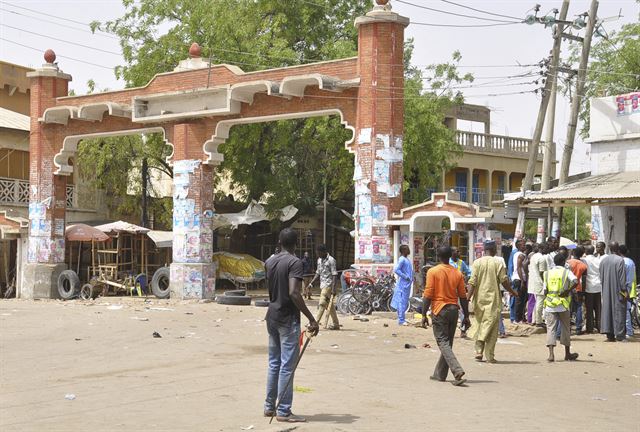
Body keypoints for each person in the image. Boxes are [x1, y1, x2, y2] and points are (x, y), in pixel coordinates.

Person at [264, 229, 319, 423]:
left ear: (279, 241)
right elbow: (294, 292)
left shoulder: (270, 261)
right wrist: (311, 318)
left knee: (274, 363)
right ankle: (284, 411)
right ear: (296, 243)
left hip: (271, 316)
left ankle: (269, 407)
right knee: (287, 366)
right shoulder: (295, 262)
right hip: (287, 319)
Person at [421, 246, 470, 386]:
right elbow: (463, 296)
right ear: (450, 256)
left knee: (443, 342)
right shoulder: (457, 273)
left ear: (438, 255)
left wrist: (424, 314)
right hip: (454, 310)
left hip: (439, 310)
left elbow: (428, 294)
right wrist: (466, 316)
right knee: (448, 343)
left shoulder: (433, 272)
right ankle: (440, 374)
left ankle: (457, 370)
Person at [467, 240, 518, 363]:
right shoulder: (497, 262)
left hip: (479, 299)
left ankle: (479, 351)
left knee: (480, 323)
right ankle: (489, 355)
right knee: (492, 326)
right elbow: (504, 280)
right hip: (493, 299)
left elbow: (472, 282)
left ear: (484, 250)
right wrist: (512, 291)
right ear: (494, 250)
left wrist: (468, 297)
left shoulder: (477, 263)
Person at [543, 253, 579, 362]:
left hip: (550, 304)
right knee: (565, 329)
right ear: (564, 262)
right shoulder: (566, 272)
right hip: (563, 304)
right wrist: (568, 291)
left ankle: (551, 355)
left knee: (551, 329)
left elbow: (545, 290)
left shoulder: (547, 273)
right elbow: (576, 281)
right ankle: (567, 354)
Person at [307, 244, 340, 330]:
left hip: (328, 286)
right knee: (330, 305)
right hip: (322, 285)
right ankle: (336, 324)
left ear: (324, 252)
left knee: (321, 304)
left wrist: (333, 288)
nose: (318, 254)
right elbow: (318, 273)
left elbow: (334, 275)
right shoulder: (319, 260)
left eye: (319, 253)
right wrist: (311, 283)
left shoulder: (331, 260)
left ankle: (315, 322)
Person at [600, 242, 628, 342]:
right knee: (619, 311)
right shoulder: (620, 260)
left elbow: (601, 277)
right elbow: (622, 279)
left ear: (609, 248)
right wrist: (625, 291)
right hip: (618, 291)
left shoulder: (603, 260)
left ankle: (609, 334)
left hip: (606, 289)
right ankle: (620, 335)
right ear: (618, 249)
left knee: (607, 310)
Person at [450, 247, 471, 337]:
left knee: (462, 309)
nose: (459, 252)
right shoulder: (448, 262)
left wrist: (466, 278)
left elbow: (469, 272)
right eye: (457, 251)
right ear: (452, 252)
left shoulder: (461, 263)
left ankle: (463, 330)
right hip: (450, 290)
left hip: (460, 289)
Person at [567, 246, 587, 335]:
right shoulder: (583, 265)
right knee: (579, 307)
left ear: (573, 253)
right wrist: (583, 291)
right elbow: (584, 279)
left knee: (568, 308)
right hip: (578, 287)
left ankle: (568, 327)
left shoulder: (568, 263)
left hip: (568, 288)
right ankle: (578, 328)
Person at [391, 244, 413, 326]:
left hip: (407, 284)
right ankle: (401, 320)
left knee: (404, 301)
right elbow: (396, 270)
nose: (409, 250)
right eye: (407, 249)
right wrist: (405, 277)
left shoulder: (406, 259)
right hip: (403, 284)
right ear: (403, 251)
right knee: (402, 302)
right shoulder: (402, 260)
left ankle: (402, 318)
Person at [583, 244, 603, 333]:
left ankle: (590, 328)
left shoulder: (585, 260)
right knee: (598, 308)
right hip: (598, 285)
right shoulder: (598, 260)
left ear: (586, 251)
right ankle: (600, 327)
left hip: (589, 286)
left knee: (589, 308)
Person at [528, 242, 548, 327]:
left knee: (537, 302)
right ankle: (538, 322)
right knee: (540, 302)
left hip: (533, 282)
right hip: (539, 282)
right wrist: (545, 283)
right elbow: (542, 273)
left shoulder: (533, 256)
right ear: (542, 249)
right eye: (546, 248)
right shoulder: (542, 258)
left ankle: (534, 320)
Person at [620, 245, 637, 338]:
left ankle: (629, 331)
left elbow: (627, 279)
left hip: (625, 290)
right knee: (627, 311)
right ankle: (628, 330)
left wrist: (625, 290)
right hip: (629, 289)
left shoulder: (624, 262)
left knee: (626, 311)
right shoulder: (630, 262)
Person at [510, 239, 527, 323]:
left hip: (518, 278)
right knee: (519, 300)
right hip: (519, 279)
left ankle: (519, 318)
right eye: (523, 245)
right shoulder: (520, 255)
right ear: (519, 246)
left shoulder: (517, 254)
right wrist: (522, 281)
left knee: (521, 299)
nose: (525, 246)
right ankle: (517, 318)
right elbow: (519, 267)